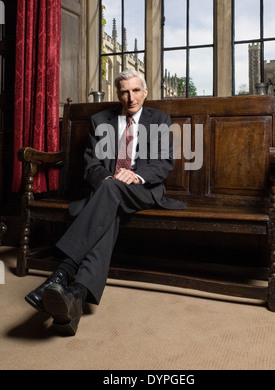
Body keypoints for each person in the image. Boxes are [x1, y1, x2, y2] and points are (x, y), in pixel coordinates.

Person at [25, 68, 186, 336]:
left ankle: (61, 274)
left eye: (136, 90)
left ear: (145, 92)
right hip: (108, 192)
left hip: (143, 190)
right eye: (124, 91)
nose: (130, 97)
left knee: (111, 192)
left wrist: (135, 176)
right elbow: (91, 167)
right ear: (118, 93)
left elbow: (163, 163)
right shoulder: (100, 120)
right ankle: (75, 296)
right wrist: (111, 179)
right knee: (109, 206)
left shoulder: (159, 119)